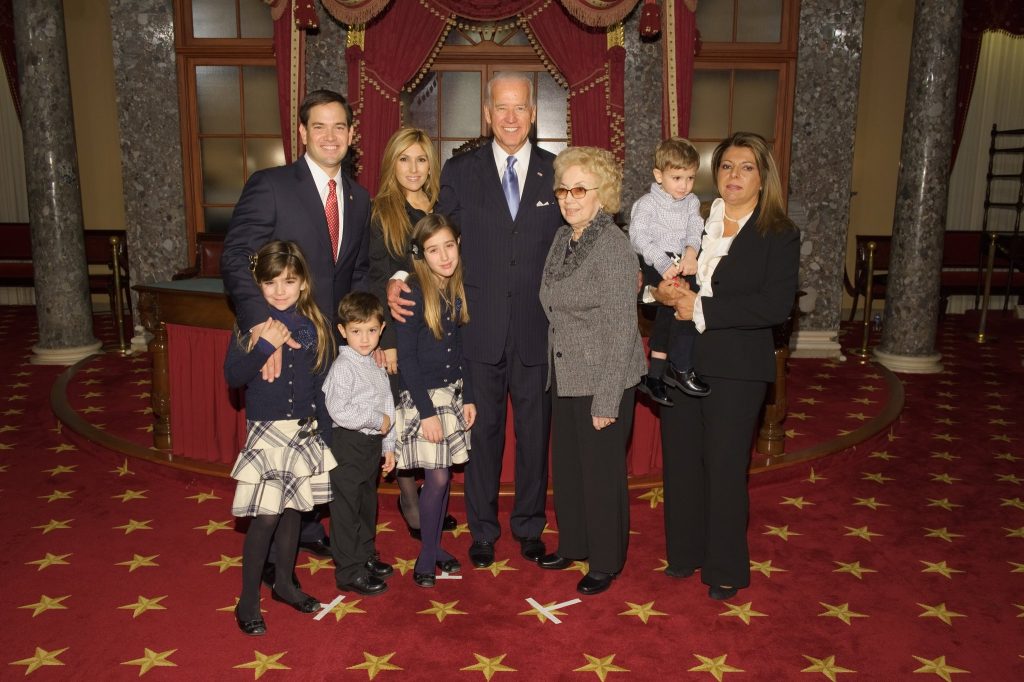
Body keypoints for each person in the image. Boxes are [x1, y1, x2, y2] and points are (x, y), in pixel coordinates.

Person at [391, 72, 563, 568]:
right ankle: (483, 531)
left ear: (533, 114)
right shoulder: (461, 171)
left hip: (538, 330)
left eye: (520, 108)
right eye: (501, 109)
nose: (511, 118)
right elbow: (434, 234)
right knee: (481, 437)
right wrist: (401, 274)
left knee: (534, 436)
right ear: (487, 115)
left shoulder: (557, 172)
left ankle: (529, 526)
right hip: (477, 330)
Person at [221, 89, 371, 575]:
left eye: (339, 127)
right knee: (281, 445)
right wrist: (261, 326)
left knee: (319, 438)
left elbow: (358, 271)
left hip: (330, 345)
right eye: (319, 127)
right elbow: (235, 255)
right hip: (280, 341)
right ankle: (266, 558)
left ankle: (306, 529)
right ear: (302, 133)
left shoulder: (359, 196)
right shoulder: (271, 184)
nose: (330, 136)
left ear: (351, 135)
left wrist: (362, 339)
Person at [653, 132, 800, 601]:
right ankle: (685, 553)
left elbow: (775, 306)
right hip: (682, 361)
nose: (734, 176)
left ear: (763, 178)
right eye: (727, 167)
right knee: (681, 462)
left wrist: (700, 306)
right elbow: (661, 271)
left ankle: (725, 567)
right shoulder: (691, 220)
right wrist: (660, 291)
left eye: (746, 167)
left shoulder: (779, 233)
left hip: (737, 368)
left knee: (723, 466)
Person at [535, 147, 646, 596]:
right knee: (568, 469)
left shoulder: (614, 248)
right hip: (565, 372)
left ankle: (605, 560)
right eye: (563, 188)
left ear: (603, 194)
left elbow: (623, 329)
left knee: (601, 475)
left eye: (580, 189)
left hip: (605, 377)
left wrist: (606, 399)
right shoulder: (565, 237)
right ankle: (574, 543)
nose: (569, 197)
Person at [225, 241, 337, 635]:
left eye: (289, 281)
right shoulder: (251, 324)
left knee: (294, 514)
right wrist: (265, 347)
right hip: (268, 433)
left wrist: (325, 433)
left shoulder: (315, 324)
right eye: (270, 282)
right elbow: (233, 377)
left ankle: (286, 584)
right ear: (258, 284)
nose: (279, 290)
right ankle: (247, 600)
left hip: (304, 431)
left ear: (303, 283)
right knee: (266, 518)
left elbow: (322, 383)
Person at [368, 127, 458, 539]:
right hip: (399, 333)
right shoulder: (381, 210)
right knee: (405, 411)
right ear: (392, 163)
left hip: (438, 330)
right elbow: (370, 274)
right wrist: (384, 342)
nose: (413, 168)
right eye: (404, 159)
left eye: (421, 159)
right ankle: (409, 499)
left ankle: (430, 494)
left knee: (433, 408)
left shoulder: (441, 206)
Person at [395, 214, 477, 587]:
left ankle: (434, 546)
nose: (444, 256)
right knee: (439, 476)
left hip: (453, 392)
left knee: (442, 477)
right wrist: (426, 414)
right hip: (422, 397)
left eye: (449, 245)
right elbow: (407, 360)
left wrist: (469, 397)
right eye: (433, 249)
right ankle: (427, 556)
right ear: (420, 254)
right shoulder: (412, 290)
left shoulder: (457, 285)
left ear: (459, 243)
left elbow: (464, 349)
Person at [322, 292, 397, 597]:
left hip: (370, 445)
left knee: (367, 504)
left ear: (381, 329)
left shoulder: (374, 362)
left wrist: (388, 444)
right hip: (347, 443)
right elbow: (337, 409)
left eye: (371, 330)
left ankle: (366, 555)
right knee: (345, 508)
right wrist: (374, 420)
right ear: (342, 331)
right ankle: (348, 571)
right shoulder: (344, 366)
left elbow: (388, 404)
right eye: (356, 331)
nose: (364, 339)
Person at [629, 136, 710, 407]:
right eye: (677, 177)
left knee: (686, 309)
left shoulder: (691, 201)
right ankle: (675, 368)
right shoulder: (647, 204)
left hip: (682, 261)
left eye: (689, 178)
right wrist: (663, 265)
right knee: (672, 307)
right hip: (655, 262)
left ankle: (663, 372)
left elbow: (695, 228)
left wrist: (690, 252)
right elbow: (639, 238)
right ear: (658, 175)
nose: (684, 185)